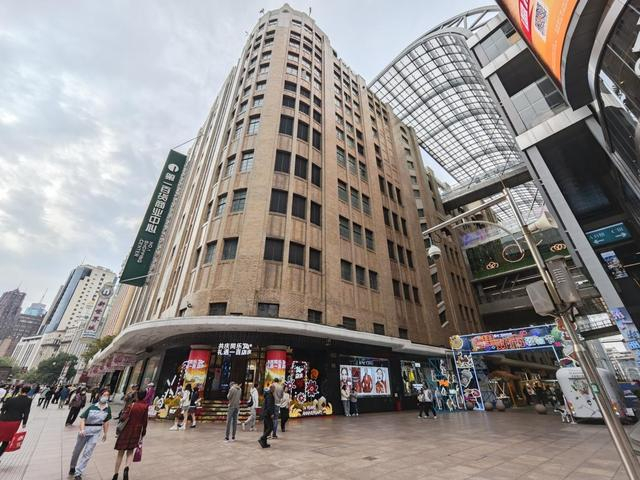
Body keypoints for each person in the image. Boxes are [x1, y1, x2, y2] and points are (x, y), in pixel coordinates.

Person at [69, 388, 112, 479]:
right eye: (104, 395)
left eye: (107, 395)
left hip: (95, 433)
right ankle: (72, 466)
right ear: (100, 395)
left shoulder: (108, 409)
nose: (106, 397)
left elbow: (106, 421)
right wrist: (82, 429)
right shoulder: (92, 407)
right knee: (77, 451)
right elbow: (83, 419)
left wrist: (105, 433)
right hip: (85, 431)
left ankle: (78, 472)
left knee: (88, 452)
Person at [113, 390, 148, 480]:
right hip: (136, 431)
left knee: (120, 453)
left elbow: (123, 418)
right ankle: (126, 468)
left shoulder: (132, 405)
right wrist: (143, 432)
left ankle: (115, 474)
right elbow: (145, 421)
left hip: (126, 430)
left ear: (137, 396)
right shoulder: (145, 406)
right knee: (130, 451)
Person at [0, 385, 32, 459]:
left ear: (21, 390)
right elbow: (26, 412)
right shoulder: (28, 400)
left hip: (3, 420)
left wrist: (2, 416)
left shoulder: (11, 399)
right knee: (6, 440)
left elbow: (3, 409)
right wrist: (24, 423)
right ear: (28, 392)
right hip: (15, 422)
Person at [258, 384, 275, 449]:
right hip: (267, 414)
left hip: (265, 413)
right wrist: (271, 413)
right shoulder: (270, 395)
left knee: (266, 428)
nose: (274, 390)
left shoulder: (267, 394)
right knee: (271, 427)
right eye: (274, 389)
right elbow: (269, 405)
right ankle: (262, 438)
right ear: (272, 389)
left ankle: (264, 443)